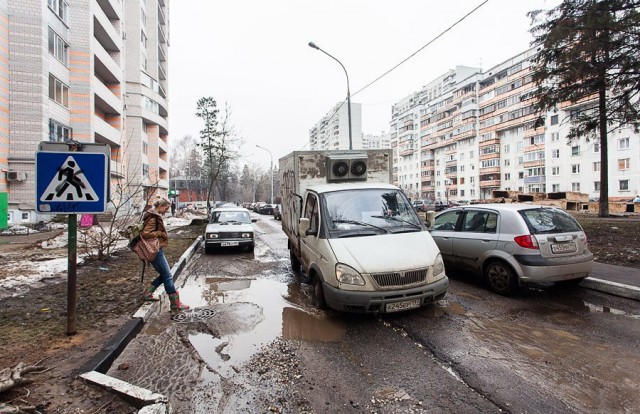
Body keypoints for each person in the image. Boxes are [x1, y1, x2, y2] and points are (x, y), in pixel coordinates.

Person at [141, 198, 189, 311]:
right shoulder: (153, 217)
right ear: (160, 206)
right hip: (155, 250)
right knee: (167, 275)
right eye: (166, 208)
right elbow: (145, 233)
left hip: (156, 248)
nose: (166, 211)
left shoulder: (153, 215)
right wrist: (160, 233)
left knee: (164, 274)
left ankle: (148, 293)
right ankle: (175, 302)